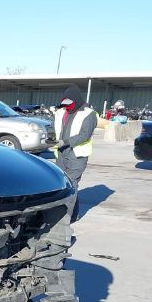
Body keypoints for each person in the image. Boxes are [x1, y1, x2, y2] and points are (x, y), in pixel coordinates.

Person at [53, 84, 97, 222]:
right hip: (60, 153)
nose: (67, 107)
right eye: (64, 104)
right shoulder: (60, 112)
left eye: (69, 104)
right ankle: (72, 214)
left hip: (77, 154)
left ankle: (65, 219)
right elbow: (53, 128)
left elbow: (85, 135)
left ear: (76, 100)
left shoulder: (88, 114)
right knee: (60, 183)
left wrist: (65, 142)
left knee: (71, 184)